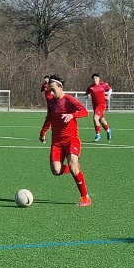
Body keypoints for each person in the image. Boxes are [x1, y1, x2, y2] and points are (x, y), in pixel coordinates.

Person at [40, 75, 92, 207]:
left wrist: (72, 115)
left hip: (71, 139)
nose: (51, 93)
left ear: (60, 87)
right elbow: (49, 117)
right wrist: (43, 132)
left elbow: (85, 112)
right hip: (56, 142)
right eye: (49, 90)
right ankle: (74, 167)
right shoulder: (51, 101)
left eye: (53, 90)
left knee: (73, 167)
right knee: (56, 171)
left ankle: (85, 197)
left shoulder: (69, 100)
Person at [85, 73, 113, 141]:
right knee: (102, 120)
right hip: (95, 106)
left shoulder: (103, 85)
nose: (95, 79)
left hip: (102, 105)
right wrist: (87, 96)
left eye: (96, 78)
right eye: (93, 78)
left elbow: (110, 89)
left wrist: (108, 96)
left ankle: (98, 135)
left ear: (99, 79)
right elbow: (86, 95)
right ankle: (108, 130)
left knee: (95, 118)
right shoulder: (90, 87)